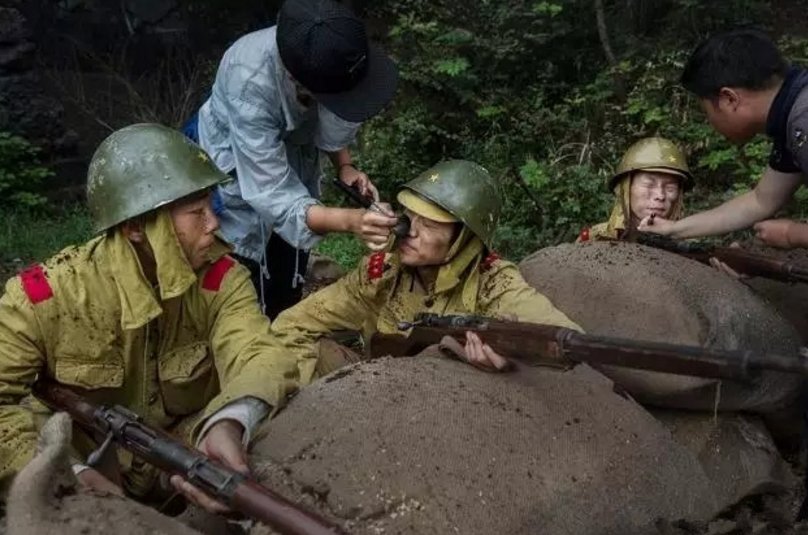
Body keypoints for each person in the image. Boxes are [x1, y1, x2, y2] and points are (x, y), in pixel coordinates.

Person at [0, 124, 299, 513]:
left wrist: (229, 422)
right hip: (83, 465)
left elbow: (259, 353)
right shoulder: (47, 296)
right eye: (196, 213)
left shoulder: (221, 280)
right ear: (135, 227)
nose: (213, 224)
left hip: (182, 460)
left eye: (211, 206)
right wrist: (64, 472)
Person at [265, 160, 582, 380]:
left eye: (429, 224)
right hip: (372, 389)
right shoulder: (381, 272)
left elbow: (571, 344)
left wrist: (509, 368)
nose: (408, 231)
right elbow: (292, 324)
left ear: (464, 239)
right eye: (409, 216)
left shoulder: (494, 283)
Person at [188, 0, 400, 319]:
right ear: (295, 80)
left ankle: (283, 324)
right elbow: (273, 194)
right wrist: (352, 221)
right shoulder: (247, 81)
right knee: (238, 280)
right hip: (231, 165)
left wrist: (345, 166)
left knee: (287, 269)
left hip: (292, 157)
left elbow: (337, 113)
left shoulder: (333, 48)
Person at [637, 29, 808, 249]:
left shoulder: (803, 122)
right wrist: (673, 229)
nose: (710, 123)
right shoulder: (790, 116)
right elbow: (761, 200)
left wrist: (791, 234)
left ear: (729, 99)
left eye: (707, 113)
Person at [578, 137, 693, 242]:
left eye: (670, 188)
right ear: (625, 189)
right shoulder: (594, 239)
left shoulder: (692, 251)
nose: (660, 195)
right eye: (649, 185)